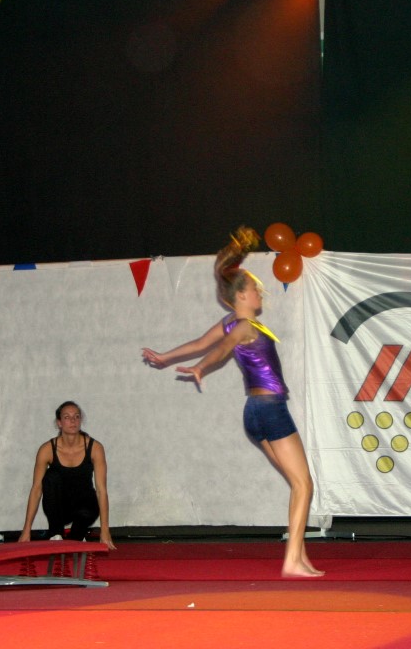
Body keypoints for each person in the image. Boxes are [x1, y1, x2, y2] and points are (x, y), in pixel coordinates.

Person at [141, 227, 323, 578]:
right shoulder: (243, 327)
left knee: (297, 482)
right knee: (304, 484)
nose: (260, 291)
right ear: (240, 295)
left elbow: (200, 341)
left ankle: (300, 557)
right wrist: (201, 368)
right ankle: (291, 561)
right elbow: (219, 350)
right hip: (270, 409)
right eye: (254, 287)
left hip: (254, 414)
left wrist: (165, 357)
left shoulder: (231, 323)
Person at [18, 400, 117, 549]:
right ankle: (56, 534)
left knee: (74, 543)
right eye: (67, 417)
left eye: (76, 416)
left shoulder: (95, 448)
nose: (73, 421)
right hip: (59, 509)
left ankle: (78, 535)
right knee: (51, 477)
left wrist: (105, 530)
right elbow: (36, 490)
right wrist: (26, 531)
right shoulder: (47, 449)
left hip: (84, 507)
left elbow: (102, 491)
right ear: (59, 423)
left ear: (80, 420)